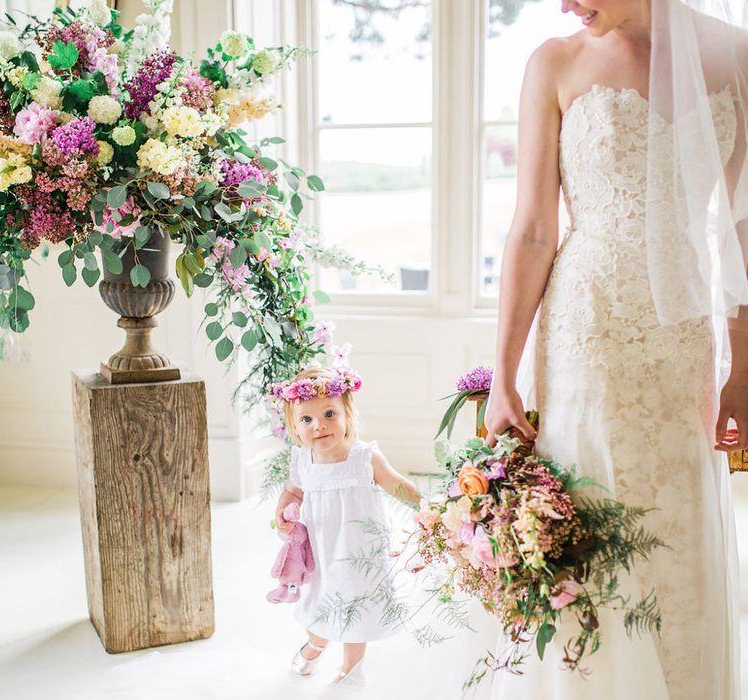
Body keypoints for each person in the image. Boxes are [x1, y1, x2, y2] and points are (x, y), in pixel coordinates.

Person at [483, 0, 747, 697]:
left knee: (674, 510)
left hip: (681, 331)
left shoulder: (738, 55)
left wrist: (743, 366)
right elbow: (535, 228)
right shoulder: (556, 61)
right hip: (586, 323)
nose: (565, 5)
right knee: (588, 504)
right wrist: (503, 377)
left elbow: (743, 230)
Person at [271, 367, 420, 687]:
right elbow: (294, 490)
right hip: (321, 549)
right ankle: (316, 643)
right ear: (295, 427)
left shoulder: (364, 456)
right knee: (317, 600)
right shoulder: (302, 459)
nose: (319, 425)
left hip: (359, 550)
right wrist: (283, 509)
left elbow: (396, 484)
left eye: (329, 414)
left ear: (347, 414)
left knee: (356, 604)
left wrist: (427, 506)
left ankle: (351, 669)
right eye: (307, 420)